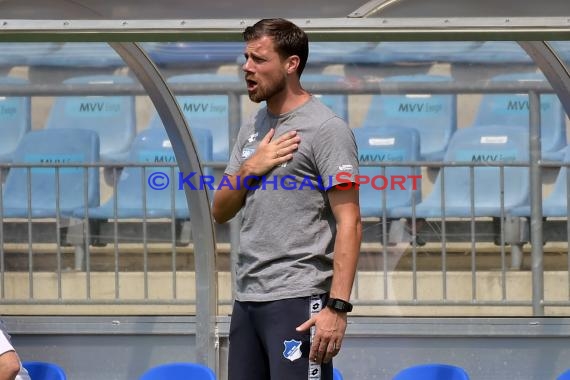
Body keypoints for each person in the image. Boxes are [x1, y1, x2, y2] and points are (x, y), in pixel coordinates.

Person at [212, 18, 361, 380]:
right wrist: (253, 167)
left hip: (297, 298)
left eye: (259, 60)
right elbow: (220, 209)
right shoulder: (253, 127)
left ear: (291, 64)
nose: (247, 68)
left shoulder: (326, 129)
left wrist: (337, 307)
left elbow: (350, 222)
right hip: (247, 298)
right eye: (246, 58)